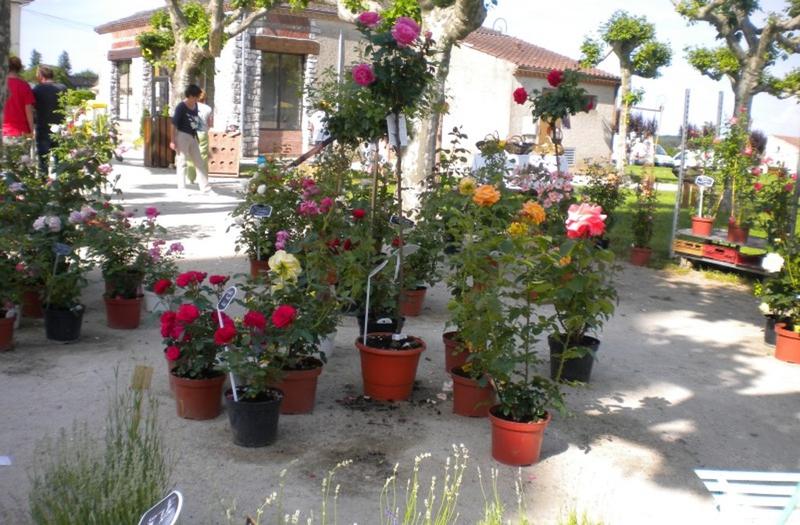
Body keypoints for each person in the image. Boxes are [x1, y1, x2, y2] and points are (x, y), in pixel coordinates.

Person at [169, 84, 213, 194]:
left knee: (199, 162)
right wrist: (172, 140)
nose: (198, 99)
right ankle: (182, 188)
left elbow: (195, 121)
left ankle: (205, 188)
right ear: (191, 96)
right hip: (182, 136)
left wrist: (198, 135)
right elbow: (173, 125)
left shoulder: (195, 106)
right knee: (182, 162)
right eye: (196, 97)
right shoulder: (181, 107)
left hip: (192, 136)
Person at [32, 65, 66, 172]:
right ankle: (60, 185)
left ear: (41, 75)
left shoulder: (37, 89)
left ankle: (43, 185)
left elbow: (33, 107)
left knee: (43, 162)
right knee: (60, 161)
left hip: (42, 128)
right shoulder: (63, 88)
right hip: (59, 128)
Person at [2, 56, 35, 139]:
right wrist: (32, 131)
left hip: (3, 131)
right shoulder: (24, 86)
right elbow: (29, 111)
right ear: (19, 68)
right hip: (21, 132)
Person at [185, 89, 213, 184]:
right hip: (202, 133)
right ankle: (203, 178)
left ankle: (191, 177)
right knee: (203, 156)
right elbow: (210, 123)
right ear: (204, 98)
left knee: (190, 156)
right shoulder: (208, 108)